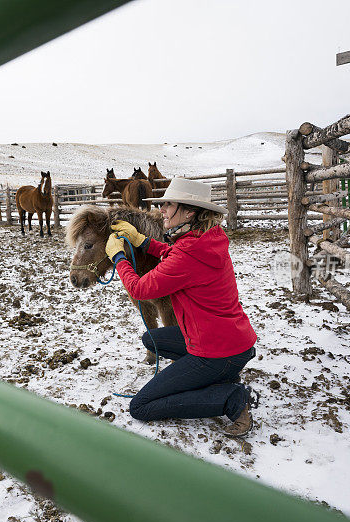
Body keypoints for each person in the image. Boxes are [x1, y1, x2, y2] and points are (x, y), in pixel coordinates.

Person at [104, 177, 258, 436]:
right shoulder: (208, 238)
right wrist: (144, 242)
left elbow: (140, 289)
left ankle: (232, 397)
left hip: (215, 350)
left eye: (168, 204)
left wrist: (119, 258)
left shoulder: (188, 253)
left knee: (141, 407)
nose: (162, 209)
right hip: (228, 338)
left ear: (189, 212)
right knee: (151, 338)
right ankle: (220, 376)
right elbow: (178, 255)